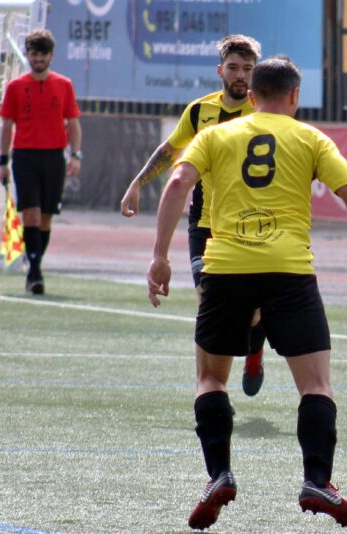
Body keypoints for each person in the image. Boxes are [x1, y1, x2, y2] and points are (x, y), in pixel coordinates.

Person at [147, 56, 347, 530]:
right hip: (290, 272)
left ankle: (218, 475)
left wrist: (160, 255)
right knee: (315, 385)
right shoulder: (311, 138)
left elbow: (176, 182)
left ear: (251, 95)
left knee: (211, 380)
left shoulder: (214, 135)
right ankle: (317, 480)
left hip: (226, 268)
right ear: (295, 95)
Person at [121, 35, 267, 396]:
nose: (240, 76)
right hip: (204, 224)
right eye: (234, 67)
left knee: (254, 313)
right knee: (212, 304)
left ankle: (254, 349)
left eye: (248, 69)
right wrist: (138, 183)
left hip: (252, 224)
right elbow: (171, 151)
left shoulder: (266, 112)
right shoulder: (200, 112)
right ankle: (213, 392)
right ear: (220, 70)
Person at [0, 29, 81, 295]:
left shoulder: (64, 85)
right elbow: (6, 125)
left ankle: (34, 262)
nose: (38, 58)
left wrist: (75, 155)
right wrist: (2, 161)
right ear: (28, 54)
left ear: (51, 56)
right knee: (30, 214)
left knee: (46, 219)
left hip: (54, 157)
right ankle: (34, 272)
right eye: (34, 53)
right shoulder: (15, 87)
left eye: (43, 54)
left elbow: (74, 124)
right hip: (24, 157)